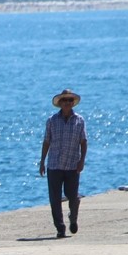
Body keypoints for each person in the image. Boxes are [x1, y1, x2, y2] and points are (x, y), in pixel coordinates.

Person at [38, 89, 88, 238]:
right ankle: (60, 228)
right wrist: (42, 161)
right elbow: (47, 142)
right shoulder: (52, 121)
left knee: (72, 196)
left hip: (72, 165)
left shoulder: (79, 121)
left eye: (69, 101)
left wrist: (82, 160)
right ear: (60, 103)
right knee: (54, 198)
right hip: (54, 164)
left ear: (73, 103)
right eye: (64, 101)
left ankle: (73, 218)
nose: (67, 103)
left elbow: (84, 142)